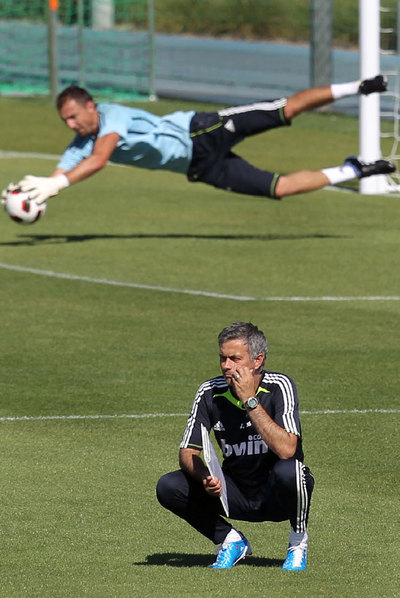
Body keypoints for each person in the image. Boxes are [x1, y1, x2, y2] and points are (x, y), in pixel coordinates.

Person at [1, 75, 395, 205]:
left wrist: (57, 183)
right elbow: (63, 171)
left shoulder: (112, 115)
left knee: (286, 109)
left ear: (90, 105)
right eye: (64, 120)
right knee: (280, 189)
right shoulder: (79, 146)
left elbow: (101, 158)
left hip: (201, 129)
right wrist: (34, 190)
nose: (70, 124)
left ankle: (358, 86)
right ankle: (355, 168)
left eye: (73, 115)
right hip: (200, 166)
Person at [156, 321, 314, 570]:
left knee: (292, 470)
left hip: (275, 495)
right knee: (169, 485)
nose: (226, 366)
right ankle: (230, 540)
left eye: (234, 358)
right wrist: (205, 476)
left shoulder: (280, 386)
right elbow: (187, 450)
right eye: (222, 358)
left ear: (257, 360)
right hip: (232, 492)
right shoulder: (209, 391)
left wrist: (250, 401)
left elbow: (287, 450)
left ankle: (297, 544)